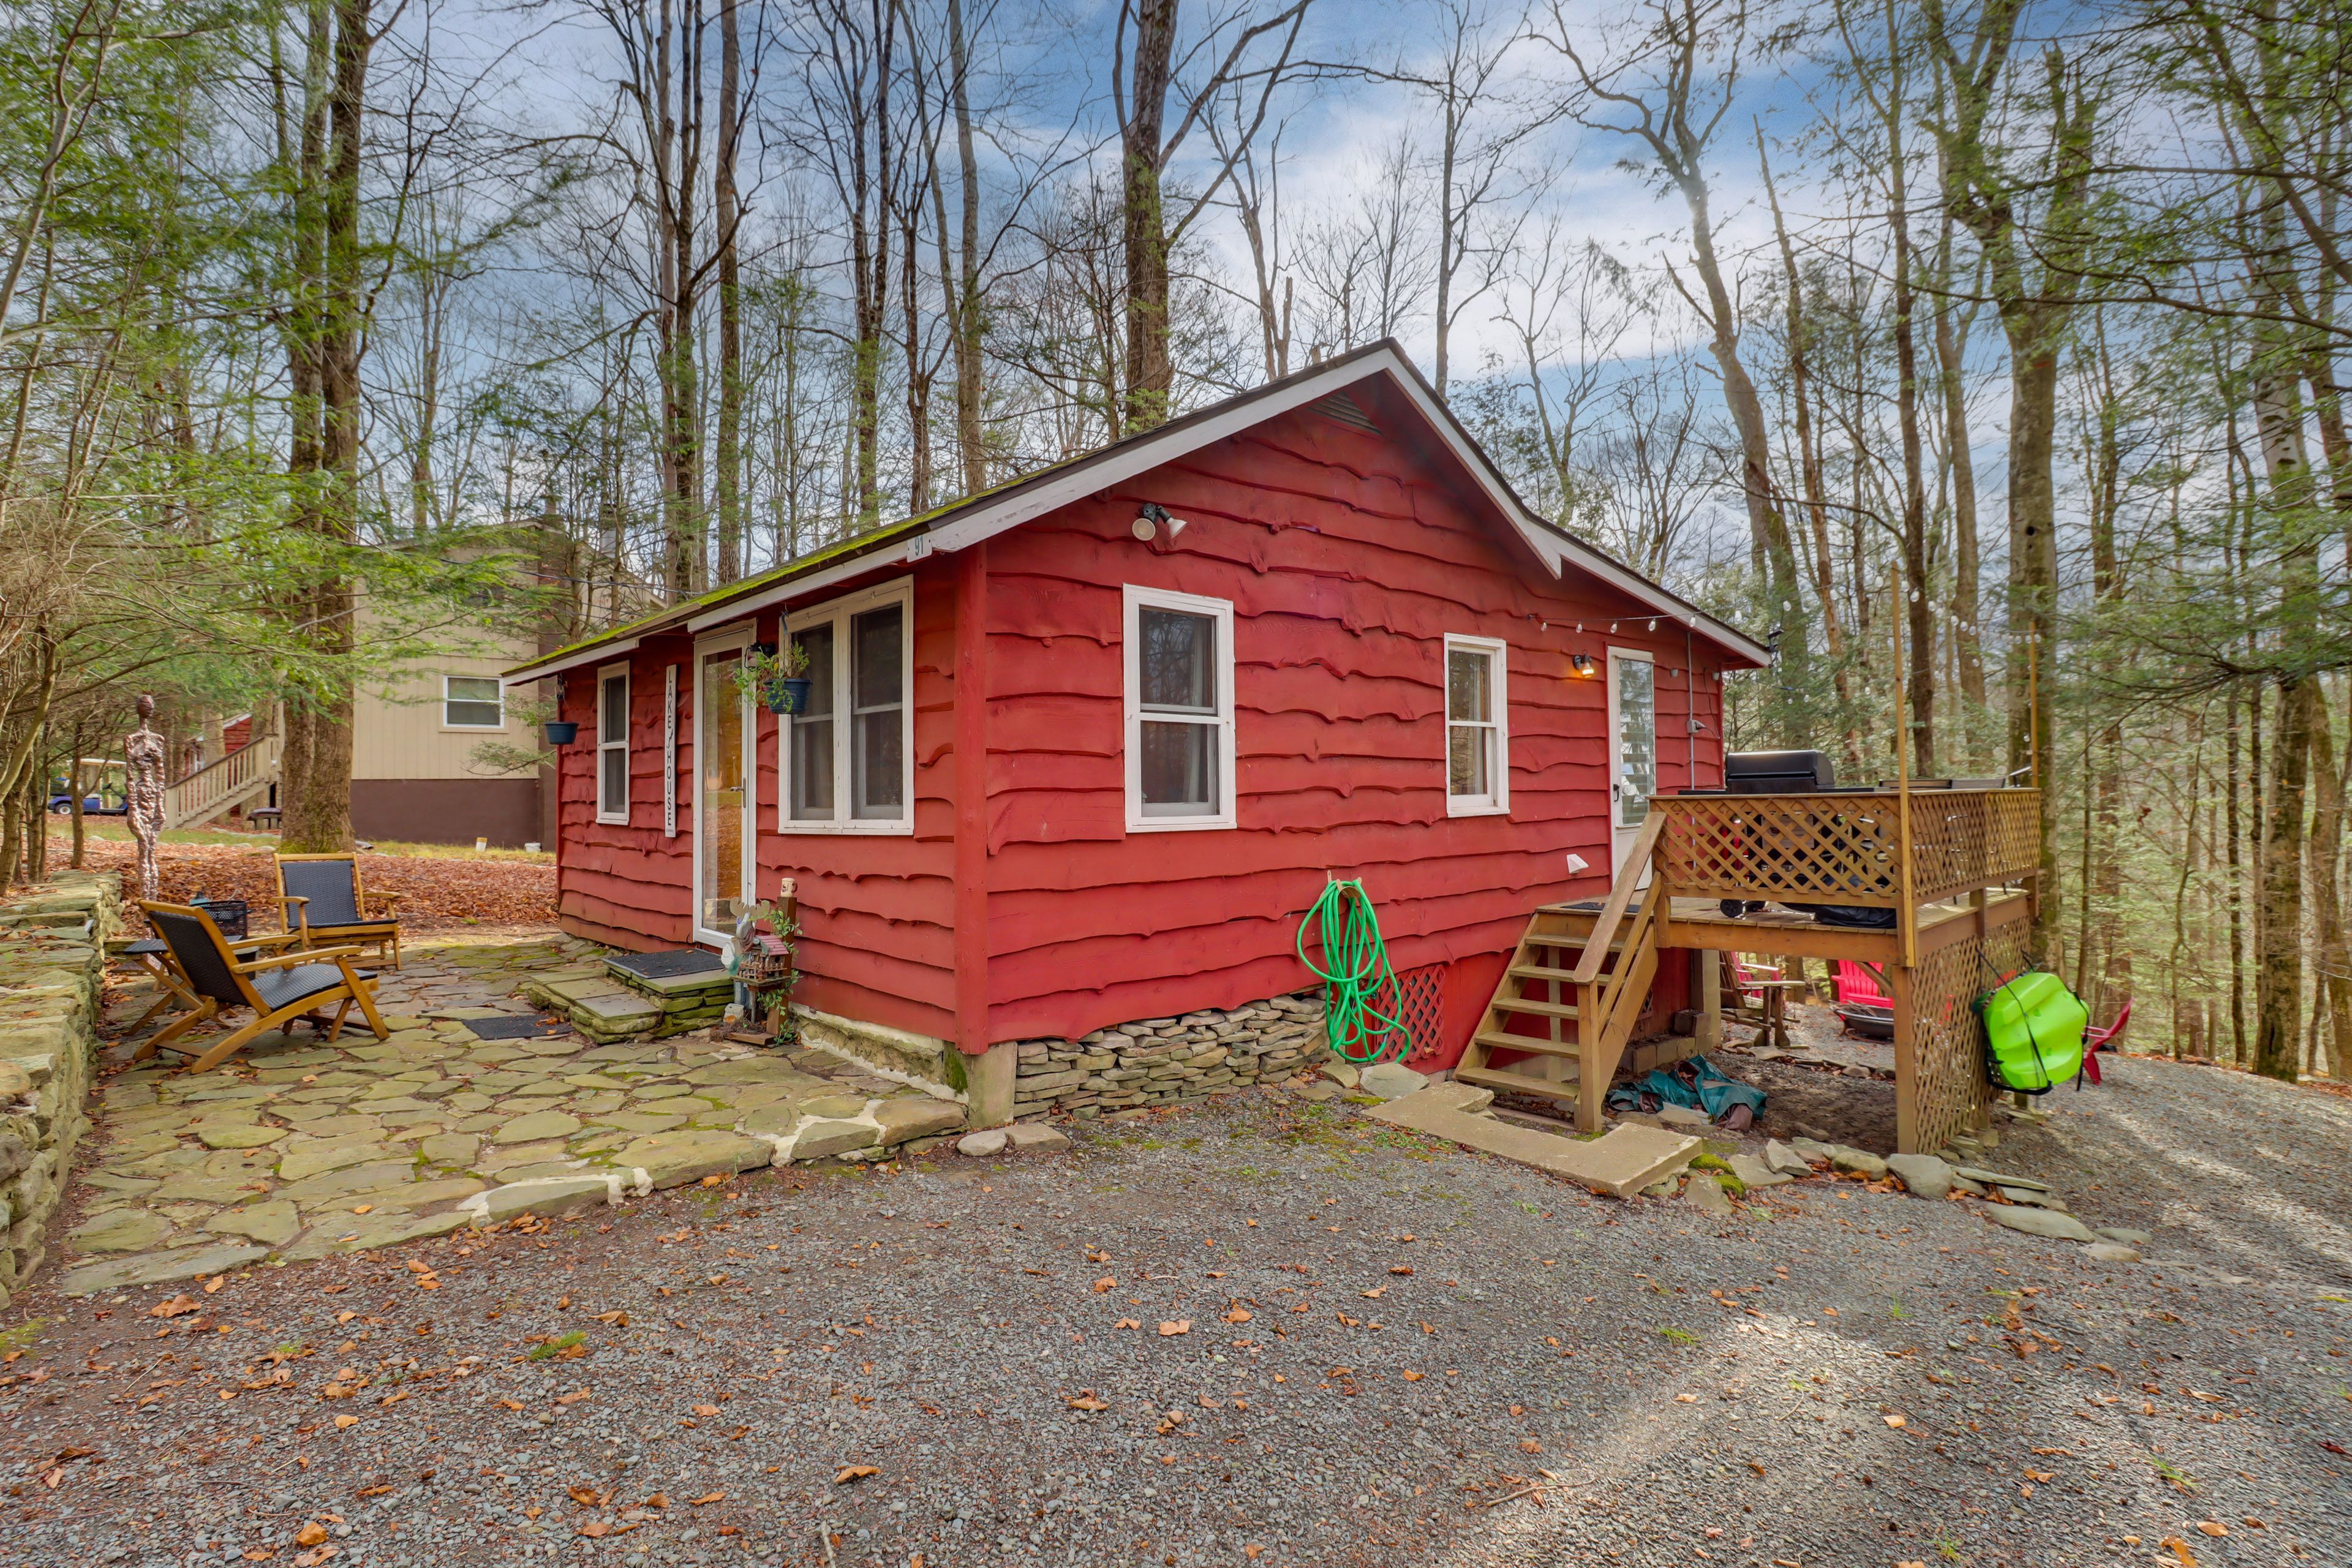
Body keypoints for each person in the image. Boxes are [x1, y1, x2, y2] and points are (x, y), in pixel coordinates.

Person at [125, 694, 168, 900]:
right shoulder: (132, 740)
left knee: (152, 850)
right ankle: (147, 908)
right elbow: (129, 776)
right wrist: (132, 808)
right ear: (138, 709)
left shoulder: (159, 740)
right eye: (145, 705)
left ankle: (153, 904)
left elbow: (161, 775)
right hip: (140, 793)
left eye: (151, 705)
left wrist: (160, 804)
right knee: (145, 849)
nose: (148, 708)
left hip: (153, 795)